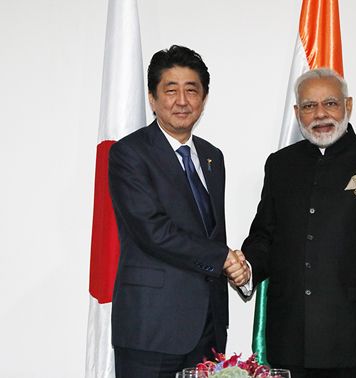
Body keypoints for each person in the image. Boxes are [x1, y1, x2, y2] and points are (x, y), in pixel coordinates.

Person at [240, 68, 356, 378]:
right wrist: (247, 268)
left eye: (330, 103)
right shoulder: (281, 165)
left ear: (348, 106)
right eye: (309, 106)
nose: (320, 114)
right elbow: (265, 238)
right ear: (298, 113)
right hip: (289, 342)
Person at [108, 45, 250, 378]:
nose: (182, 101)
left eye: (192, 90)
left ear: (204, 98)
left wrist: (231, 264)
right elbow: (153, 231)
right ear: (152, 98)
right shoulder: (129, 154)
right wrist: (223, 258)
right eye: (170, 90)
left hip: (208, 328)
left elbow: (211, 230)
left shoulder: (212, 157)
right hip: (151, 329)